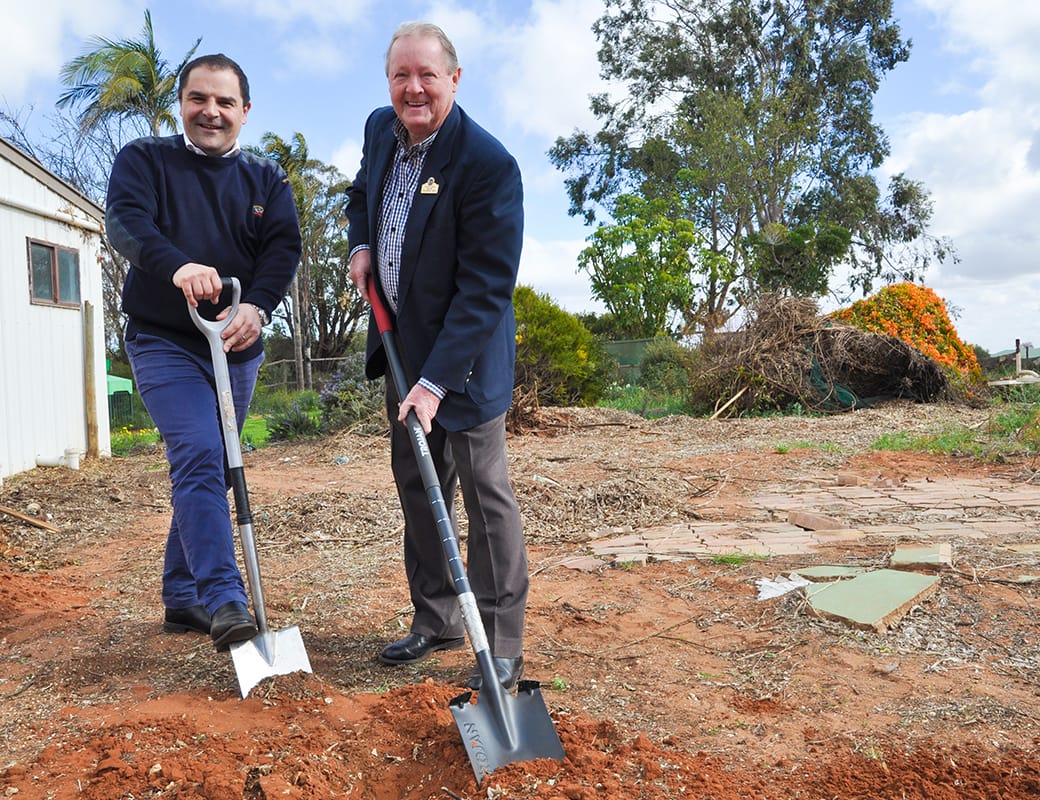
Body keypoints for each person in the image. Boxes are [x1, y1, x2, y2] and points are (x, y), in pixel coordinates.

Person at [346, 22, 528, 691]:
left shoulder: (486, 164)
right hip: (401, 353)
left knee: (486, 504)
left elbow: (485, 289)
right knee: (421, 493)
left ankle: (501, 644)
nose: (413, 88)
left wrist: (436, 383)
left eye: (427, 75)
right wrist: (359, 243)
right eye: (401, 76)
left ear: (455, 78)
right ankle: (438, 617)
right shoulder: (380, 130)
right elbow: (358, 193)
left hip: (465, 364)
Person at [106, 54, 302, 652]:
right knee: (196, 451)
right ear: (181, 103)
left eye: (224, 102)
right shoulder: (145, 161)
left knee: (214, 465)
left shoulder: (265, 179)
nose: (210, 112)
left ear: (245, 111)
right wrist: (178, 266)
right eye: (198, 99)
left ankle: (181, 595)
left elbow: (283, 247)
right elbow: (125, 224)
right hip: (164, 338)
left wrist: (258, 306)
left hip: (235, 344)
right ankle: (223, 598)